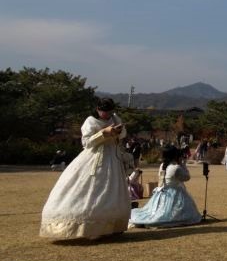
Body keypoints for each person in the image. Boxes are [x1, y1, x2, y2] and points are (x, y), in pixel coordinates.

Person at [40, 98, 131, 239]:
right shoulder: (90, 121)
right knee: (89, 187)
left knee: (112, 189)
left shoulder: (115, 118)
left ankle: (112, 226)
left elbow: (124, 133)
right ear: (97, 109)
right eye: (103, 111)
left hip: (112, 158)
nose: (105, 114)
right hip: (95, 157)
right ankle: (86, 226)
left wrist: (117, 132)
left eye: (108, 111)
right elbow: (87, 142)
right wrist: (103, 134)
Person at [130, 145, 201, 227]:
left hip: (162, 192)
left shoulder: (162, 165)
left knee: (159, 210)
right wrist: (183, 164)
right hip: (175, 192)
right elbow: (187, 177)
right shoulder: (176, 167)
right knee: (176, 211)